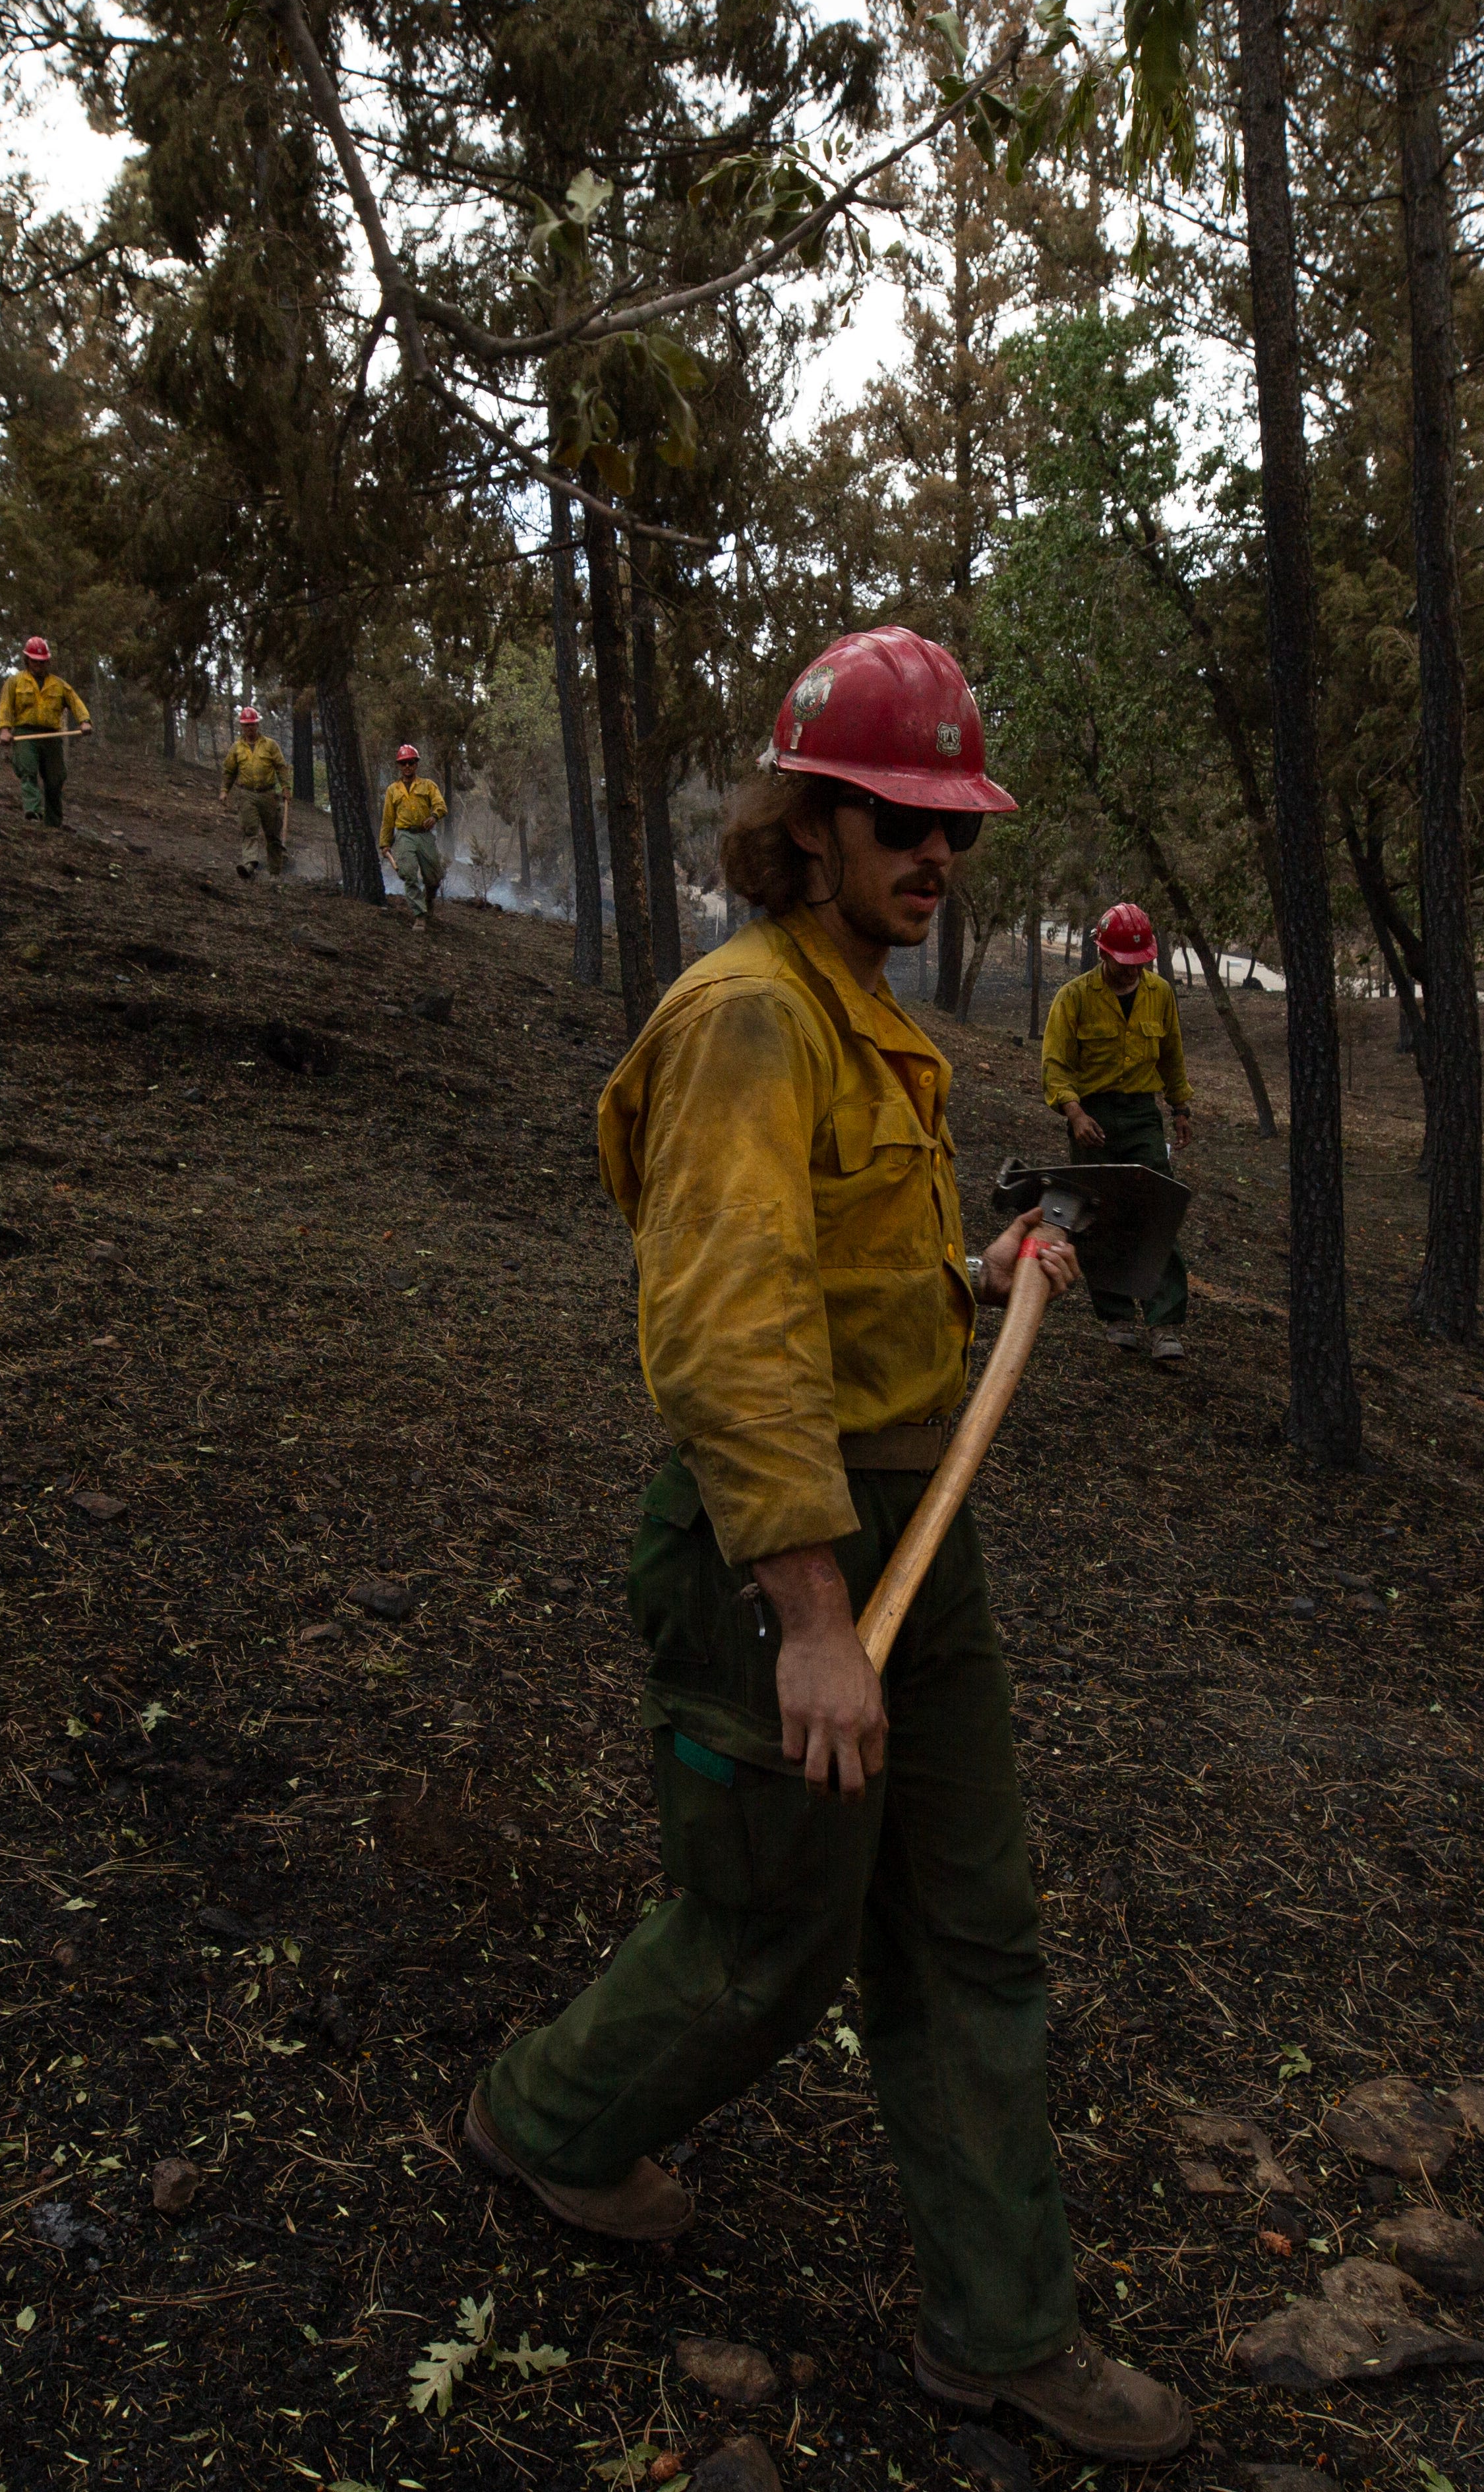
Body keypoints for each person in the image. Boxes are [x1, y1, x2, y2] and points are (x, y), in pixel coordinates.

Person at [460, 625, 1195, 2470]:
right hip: (770, 1557)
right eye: (895, 819)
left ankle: (1003, 2327)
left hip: (910, 1536)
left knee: (967, 1928)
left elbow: (840, 1289)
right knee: (773, 1939)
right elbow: (724, 1333)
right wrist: (808, 1619)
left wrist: (981, 1276)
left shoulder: (867, 1016)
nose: (934, 856)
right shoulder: (748, 1022)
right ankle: (549, 2123)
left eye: (954, 827)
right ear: (806, 823)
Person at [1038, 903, 1196, 1362]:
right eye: (1122, 964)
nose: (1131, 973)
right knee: (1097, 1215)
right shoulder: (1074, 998)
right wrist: (1075, 1114)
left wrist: (1180, 1107)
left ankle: (1164, 1324)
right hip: (1093, 1118)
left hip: (1143, 1116)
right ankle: (1116, 1317)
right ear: (1102, 954)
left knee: (1158, 1209)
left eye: (1139, 964)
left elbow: (1172, 1055)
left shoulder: (1160, 994)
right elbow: (1054, 1065)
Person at [0, 636, 89, 824]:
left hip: (51, 736)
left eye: (42, 662)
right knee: (28, 771)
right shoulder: (15, 682)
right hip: (25, 734)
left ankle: (53, 823)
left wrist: (84, 721)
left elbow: (75, 702)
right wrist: (5, 730)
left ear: (48, 661)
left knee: (55, 779)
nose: (39, 665)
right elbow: (6, 707)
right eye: (35, 661)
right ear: (27, 660)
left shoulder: (58, 684)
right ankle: (34, 813)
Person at [381, 741, 448, 924]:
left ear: (417, 764)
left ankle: (429, 899)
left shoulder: (428, 786)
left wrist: (434, 816)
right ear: (399, 766)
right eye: (404, 763)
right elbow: (388, 819)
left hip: (425, 835)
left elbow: (441, 805)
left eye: (411, 762)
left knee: (433, 878)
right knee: (409, 875)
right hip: (404, 835)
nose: (408, 766)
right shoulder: (393, 790)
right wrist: (385, 843)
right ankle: (419, 916)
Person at [220, 703, 289, 876]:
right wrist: (224, 790)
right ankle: (250, 865)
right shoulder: (236, 748)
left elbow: (281, 767)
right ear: (242, 727)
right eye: (246, 725)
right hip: (247, 794)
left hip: (268, 795)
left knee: (273, 835)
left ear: (257, 725)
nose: (249, 728)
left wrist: (286, 787)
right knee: (249, 830)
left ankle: (275, 872)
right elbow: (230, 771)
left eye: (252, 724)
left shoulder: (270, 745)